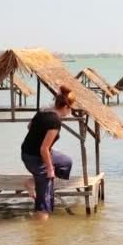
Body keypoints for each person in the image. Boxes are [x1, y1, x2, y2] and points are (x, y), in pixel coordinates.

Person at [21, 85, 75, 219]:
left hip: (30, 152)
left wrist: (38, 135)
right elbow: (43, 149)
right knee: (45, 202)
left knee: (65, 162)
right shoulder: (55, 122)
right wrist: (50, 169)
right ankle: (42, 232)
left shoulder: (43, 111)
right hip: (34, 158)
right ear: (66, 107)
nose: (71, 111)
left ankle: (32, 182)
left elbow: (29, 126)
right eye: (72, 108)